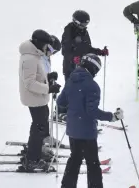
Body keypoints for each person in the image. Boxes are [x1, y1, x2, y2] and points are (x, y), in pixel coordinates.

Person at [57, 53, 121, 187]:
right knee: (92, 163)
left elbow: (61, 102)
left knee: (75, 159)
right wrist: (112, 116)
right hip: (86, 132)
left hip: (73, 130)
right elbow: (92, 111)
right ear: (93, 68)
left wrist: (75, 105)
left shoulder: (71, 80)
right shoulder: (92, 86)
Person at [19, 29, 60, 172]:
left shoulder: (35, 55)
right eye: (46, 45)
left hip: (38, 97)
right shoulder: (30, 58)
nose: (47, 48)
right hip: (34, 97)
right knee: (39, 127)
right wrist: (49, 88)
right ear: (39, 43)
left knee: (40, 126)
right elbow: (29, 83)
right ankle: (32, 159)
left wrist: (49, 78)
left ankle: (35, 152)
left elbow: (38, 76)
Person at [57, 10, 108, 119]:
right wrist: (73, 58)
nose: (84, 26)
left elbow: (87, 48)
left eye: (86, 24)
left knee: (80, 90)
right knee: (70, 88)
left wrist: (100, 52)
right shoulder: (69, 31)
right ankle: (60, 112)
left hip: (83, 64)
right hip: (70, 65)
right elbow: (65, 51)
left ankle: (76, 110)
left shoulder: (84, 32)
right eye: (83, 24)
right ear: (76, 22)